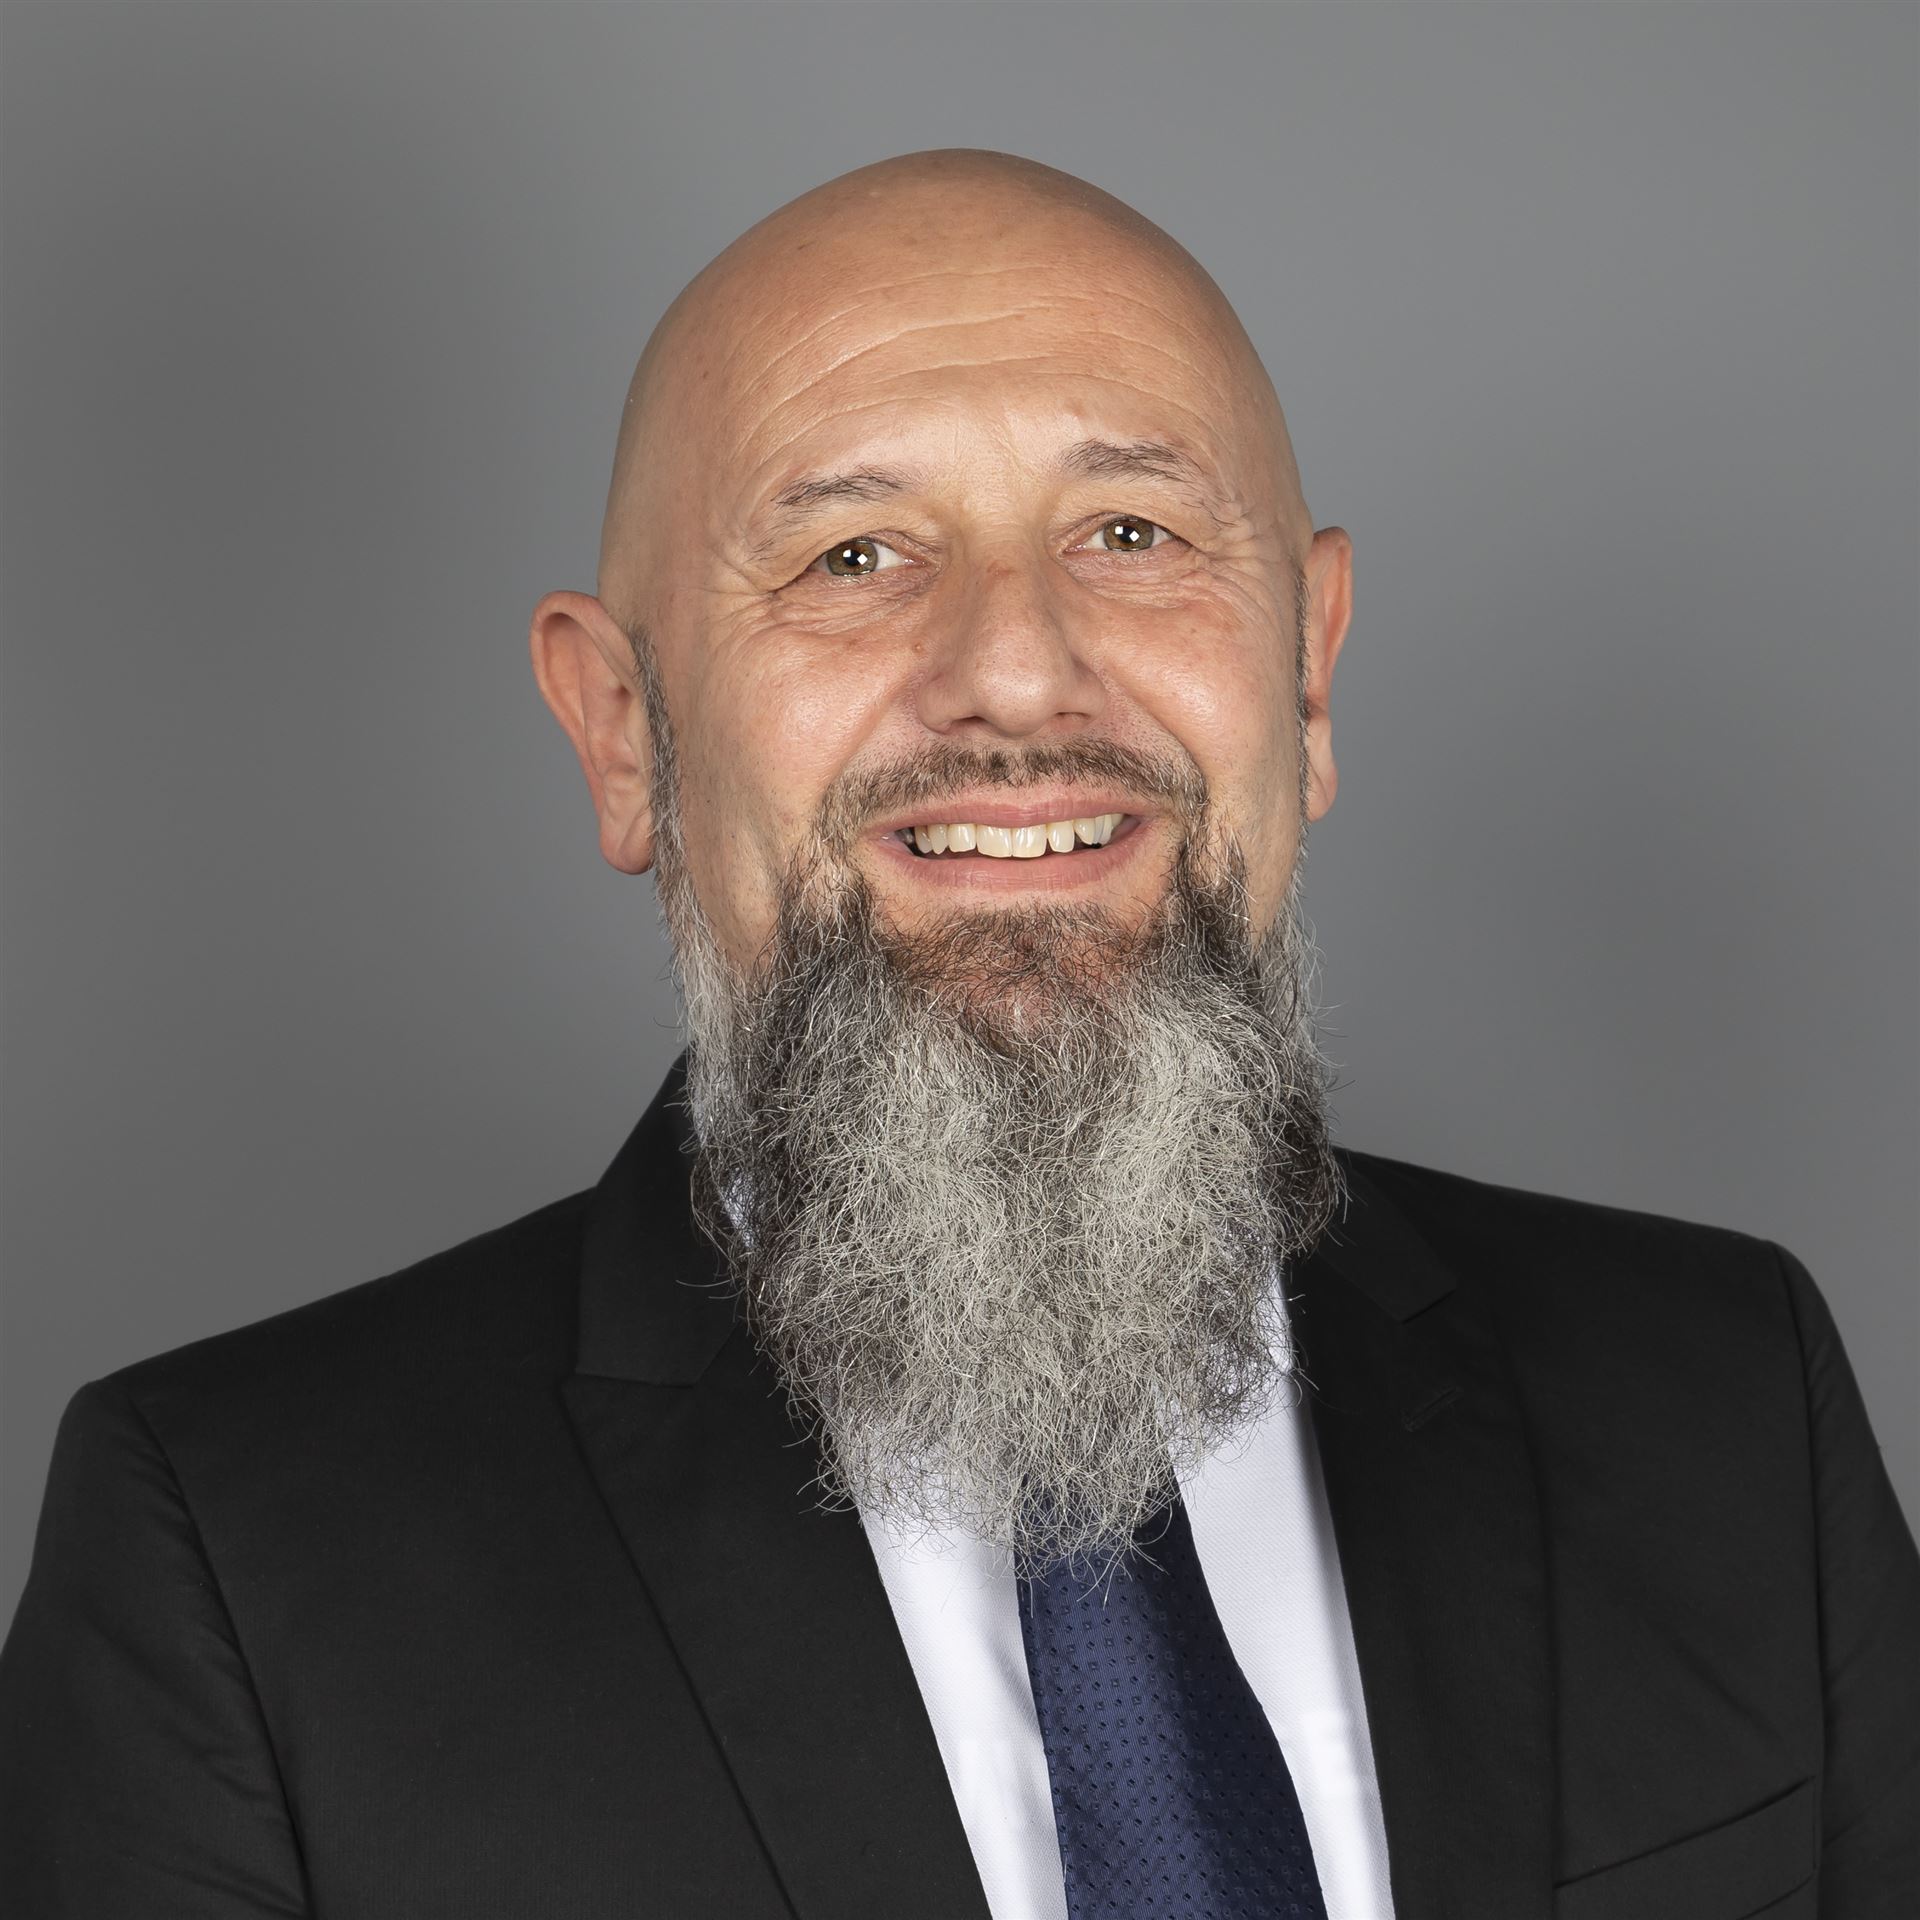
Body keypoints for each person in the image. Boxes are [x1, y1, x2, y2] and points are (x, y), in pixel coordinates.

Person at [1, 146, 1914, 1920]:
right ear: (622, 731)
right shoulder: (237, 1565)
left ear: (1310, 670)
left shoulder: (1725, 1406)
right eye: (853, 556)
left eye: (1133, 532)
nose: (1015, 670)